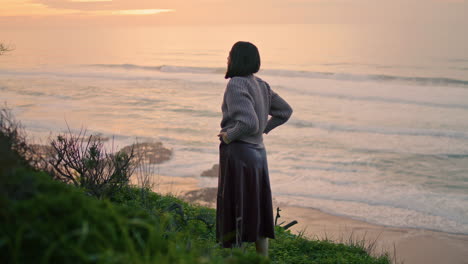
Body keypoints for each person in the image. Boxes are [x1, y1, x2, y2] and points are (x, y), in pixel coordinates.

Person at [216, 41, 293, 257]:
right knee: (258, 207)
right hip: (258, 154)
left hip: (240, 153)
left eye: (229, 55)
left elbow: (248, 122)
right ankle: (262, 258)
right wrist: (263, 131)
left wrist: (229, 136)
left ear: (236, 59)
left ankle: (236, 258)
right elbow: (285, 112)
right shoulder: (262, 85)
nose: (227, 58)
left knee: (237, 205)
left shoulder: (236, 84)